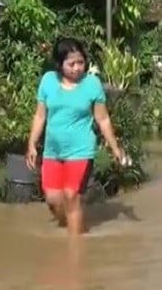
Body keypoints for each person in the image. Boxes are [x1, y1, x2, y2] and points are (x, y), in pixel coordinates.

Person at [26, 37, 124, 237]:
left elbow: (103, 118)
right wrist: (32, 144)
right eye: (71, 64)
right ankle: (70, 222)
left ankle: (76, 246)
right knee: (53, 200)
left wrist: (114, 147)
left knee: (71, 195)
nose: (77, 68)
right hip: (53, 151)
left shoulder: (92, 84)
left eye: (81, 62)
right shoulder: (48, 82)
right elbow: (40, 115)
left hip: (81, 150)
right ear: (60, 65)